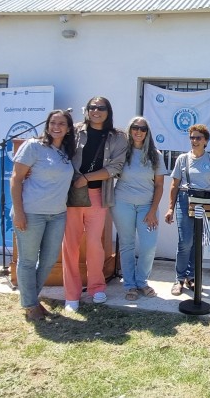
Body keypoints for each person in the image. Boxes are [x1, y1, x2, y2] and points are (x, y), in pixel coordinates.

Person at [62, 97, 127, 312]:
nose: (96, 111)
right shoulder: (74, 130)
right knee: (70, 245)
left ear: (108, 111)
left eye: (101, 108)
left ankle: (96, 287)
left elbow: (116, 167)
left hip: (98, 195)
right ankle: (71, 294)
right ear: (86, 110)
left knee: (94, 245)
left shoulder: (118, 137)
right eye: (93, 107)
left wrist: (86, 178)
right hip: (72, 195)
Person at [11, 110, 75, 321]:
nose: (57, 127)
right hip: (31, 212)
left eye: (62, 123)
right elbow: (16, 179)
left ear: (68, 128)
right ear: (47, 125)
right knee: (28, 261)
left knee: (47, 261)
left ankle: (32, 300)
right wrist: (19, 212)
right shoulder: (33, 146)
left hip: (57, 214)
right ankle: (31, 307)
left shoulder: (65, 152)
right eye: (53, 122)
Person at [111, 117, 167, 301]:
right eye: (135, 127)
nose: (138, 131)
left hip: (147, 206)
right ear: (130, 129)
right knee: (126, 245)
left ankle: (142, 281)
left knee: (149, 246)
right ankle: (130, 285)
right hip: (122, 203)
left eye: (142, 128)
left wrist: (152, 210)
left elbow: (159, 185)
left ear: (147, 132)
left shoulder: (155, 155)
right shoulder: (121, 152)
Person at [165, 124, 210, 296]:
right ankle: (179, 278)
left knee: (198, 242)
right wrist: (170, 208)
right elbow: (174, 185)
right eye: (192, 137)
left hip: (204, 202)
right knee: (185, 242)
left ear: (205, 141)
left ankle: (193, 277)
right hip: (184, 199)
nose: (194, 141)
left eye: (198, 138)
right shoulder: (182, 159)